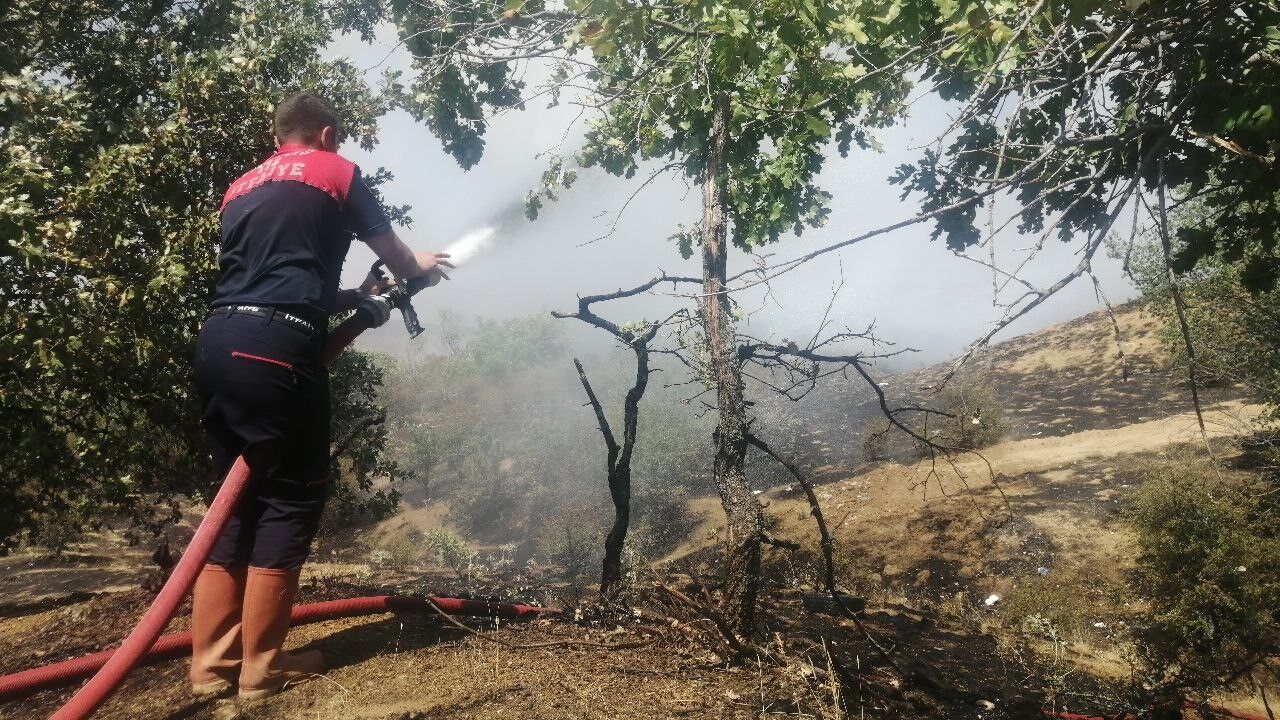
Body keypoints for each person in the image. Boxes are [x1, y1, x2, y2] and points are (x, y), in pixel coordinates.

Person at [188, 92, 451, 701]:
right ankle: (261, 670)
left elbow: (277, 286)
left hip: (220, 342)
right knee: (291, 497)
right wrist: (422, 266)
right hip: (277, 350)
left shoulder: (241, 186)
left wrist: (356, 301)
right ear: (328, 134)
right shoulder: (338, 172)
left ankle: (209, 668)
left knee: (233, 505)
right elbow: (401, 258)